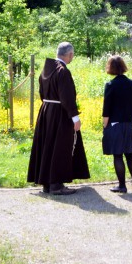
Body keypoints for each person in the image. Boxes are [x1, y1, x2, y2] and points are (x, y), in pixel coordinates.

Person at [27, 42, 90, 195]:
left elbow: (42, 93)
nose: (72, 57)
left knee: (48, 147)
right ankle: (56, 185)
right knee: (61, 147)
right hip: (60, 113)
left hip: (46, 111)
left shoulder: (46, 70)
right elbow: (67, 97)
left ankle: (47, 183)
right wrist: (75, 118)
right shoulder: (63, 72)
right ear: (69, 55)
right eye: (72, 55)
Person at [102, 54, 132, 193]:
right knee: (130, 154)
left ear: (110, 67)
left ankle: (122, 185)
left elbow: (106, 109)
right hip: (130, 123)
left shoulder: (110, 85)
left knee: (118, 155)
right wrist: (131, 120)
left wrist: (104, 125)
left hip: (115, 124)